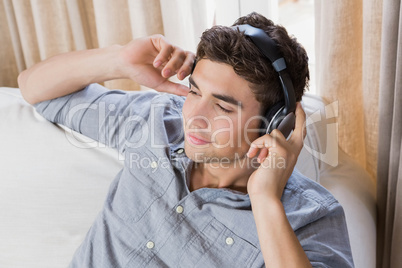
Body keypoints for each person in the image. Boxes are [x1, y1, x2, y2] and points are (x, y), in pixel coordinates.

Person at [18, 12, 354, 268]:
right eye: (194, 91)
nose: (194, 115)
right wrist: (118, 60)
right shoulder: (156, 122)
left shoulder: (310, 216)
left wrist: (265, 200)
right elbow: (35, 89)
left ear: (275, 124)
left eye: (222, 106)